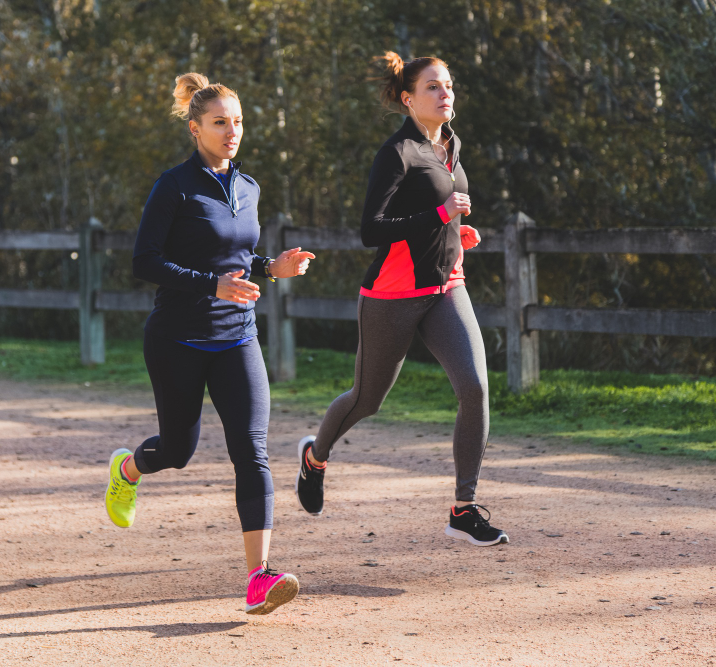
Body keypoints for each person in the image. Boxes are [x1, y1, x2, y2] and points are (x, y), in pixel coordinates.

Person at [105, 72, 315, 615]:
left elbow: (238, 259)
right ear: (195, 129)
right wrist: (210, 285)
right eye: (220, 122)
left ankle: (259, 577)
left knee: (252, 450)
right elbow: (144, 261)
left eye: (238, 121)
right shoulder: (174, 186)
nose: (232, 131)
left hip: (237, 336)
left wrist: (271, 267)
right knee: (178, 451)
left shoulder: (249, 188)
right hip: (177, 338)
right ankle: (128, 470)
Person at [294, 53, 508, 547]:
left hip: (447, 287)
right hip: (393, 295)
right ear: (409, 99)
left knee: (475, 387)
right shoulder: (397, 153)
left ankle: (464, 508)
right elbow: (372, 230)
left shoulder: (451, 144)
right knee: (367, 400)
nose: (444, 93)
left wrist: (456, 233)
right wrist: (439, 217)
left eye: (448, 84)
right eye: (433, 86)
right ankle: (315, 457)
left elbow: (440, 212)